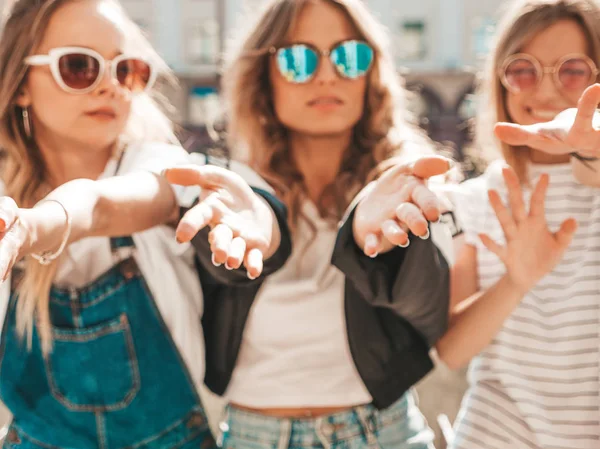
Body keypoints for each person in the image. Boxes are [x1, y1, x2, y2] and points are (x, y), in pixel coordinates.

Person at [0, 0, 289, 447]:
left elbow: (98, 206)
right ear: (20, 83)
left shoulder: (159, 165)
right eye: (79, 67)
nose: (109, 88)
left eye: (126, 70)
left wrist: (36, 227)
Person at [199, 0, 454, 448]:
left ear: (369, 74)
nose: (327, 75)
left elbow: (432, 318)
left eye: (348, 56)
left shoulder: (408, 183)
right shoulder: (232, 191)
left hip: (384, 434)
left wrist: (367, 244)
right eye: (298, 58)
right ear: (263, 78)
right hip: (253, 436)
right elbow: (218, 272)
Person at [433, 1, 600, 447]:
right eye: (524, 69)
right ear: (500, 83)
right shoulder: (471, 199)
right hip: (495, 431)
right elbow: (452, 351)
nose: (545, 88)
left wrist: (590, 150)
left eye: (572, 70)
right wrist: (517, 280)